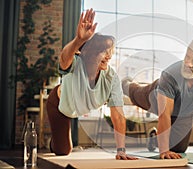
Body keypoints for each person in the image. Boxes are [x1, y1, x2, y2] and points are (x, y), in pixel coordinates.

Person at [46, 8, 137, 160]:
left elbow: (118, 116)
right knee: (63, 151)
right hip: (60, 106)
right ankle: (54, 142)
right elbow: (63, 58)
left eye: (110, 51)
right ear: (88, 52)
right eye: (103, 51)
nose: (109, 56)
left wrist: (121, 150)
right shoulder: (75, 64)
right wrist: (79, 40)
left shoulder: (111, 78)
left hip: (78, 108)